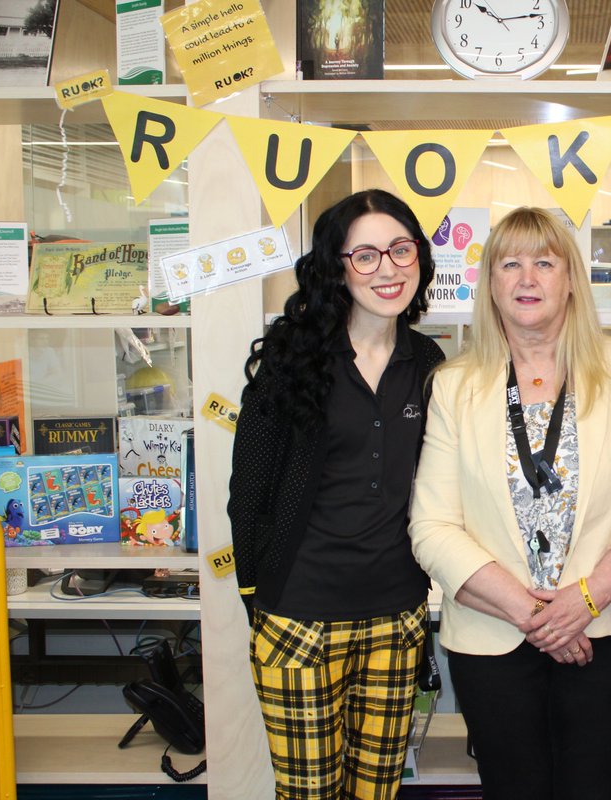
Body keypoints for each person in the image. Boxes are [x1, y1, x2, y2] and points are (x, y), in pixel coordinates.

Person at [409, 206, 611, 800]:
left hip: (603, 631)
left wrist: (587, 598)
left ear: (571, 278)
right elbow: (432, 526)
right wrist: (536, 614)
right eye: (509, 264)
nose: (527, 279)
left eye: (545, 262)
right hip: (493, 637)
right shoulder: (454, 384)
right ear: (489, 283)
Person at [228, 189, 444, 800]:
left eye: (401, 250)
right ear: (336, 267)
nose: (388, 269)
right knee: (309, 794)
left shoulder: (429, 363)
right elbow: (249, 488)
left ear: (421, 259)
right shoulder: (291, 357)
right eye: (366, 255)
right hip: (298, 617)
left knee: (378, 793)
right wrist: (255, 591)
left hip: (396, 618)